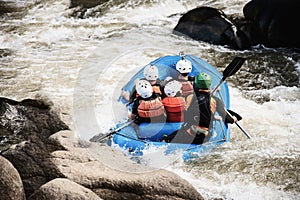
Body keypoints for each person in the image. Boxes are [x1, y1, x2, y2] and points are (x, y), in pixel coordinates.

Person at [165, 72, 237, 144]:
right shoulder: (215, 101)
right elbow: (228, 119)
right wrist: (233, 119)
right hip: (204, 137)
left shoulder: (189, 97)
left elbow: (191, 109)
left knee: (166, 140)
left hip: (188, 133)